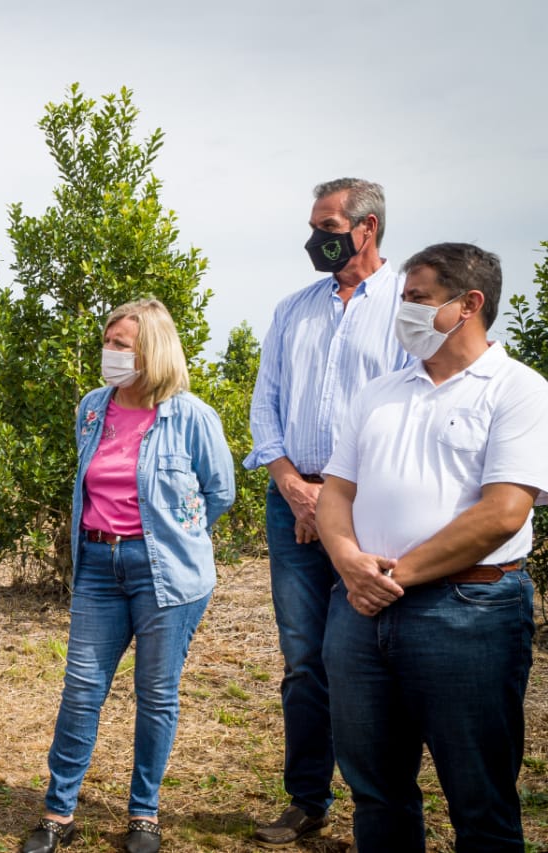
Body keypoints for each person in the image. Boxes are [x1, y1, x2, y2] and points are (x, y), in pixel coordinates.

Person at [316, 243, 548, 851]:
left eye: (418, 298)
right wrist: (347, 561)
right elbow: (336, 491)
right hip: (361, 612)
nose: (404, 310)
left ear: (468, 304)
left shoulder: (517, 390)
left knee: (479, 799)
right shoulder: (380, 392)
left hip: (467, 613)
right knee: (376, 791)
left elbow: (503, 512)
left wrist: (393, 576)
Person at [20, 299, 235, 853]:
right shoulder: (93, 407)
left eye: (122, 345)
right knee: (82, 689)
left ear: (153, 351)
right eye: (108, 341)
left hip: (166, 573)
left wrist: (173, 536)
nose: (109, 352)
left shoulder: (191, 415)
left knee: (156, 693)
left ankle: (144, 813)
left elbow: (220, 492)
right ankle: (58, 811)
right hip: (97, 564)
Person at [243, 178, 410, 845]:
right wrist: (290, 483)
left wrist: (333, 498)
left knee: (363, 658)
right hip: (291, 506)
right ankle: (308, 798)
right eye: (314, 224)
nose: (317, 236)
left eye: (330, 224)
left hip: (369, 509)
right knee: (304, 659)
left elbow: (409, 411)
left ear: (367, 228)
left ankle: (381, 803)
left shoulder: (408, 305)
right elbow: (266, 403)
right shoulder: (293, 309)